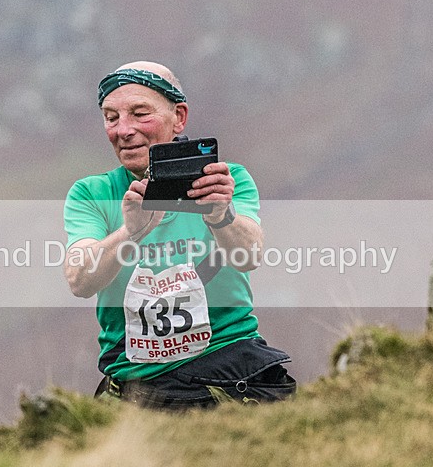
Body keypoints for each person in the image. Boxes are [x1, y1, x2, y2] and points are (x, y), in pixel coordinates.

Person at [63, 61, 295, 408]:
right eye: (111, 118)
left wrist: (221, 216)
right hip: (135, 379)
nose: (123, 130)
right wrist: (131, 232)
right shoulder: (92, 193)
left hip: (230, 364)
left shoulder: (225, 181)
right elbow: (80, 279)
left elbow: (250, 255)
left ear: (179, 117)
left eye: (140, 114)